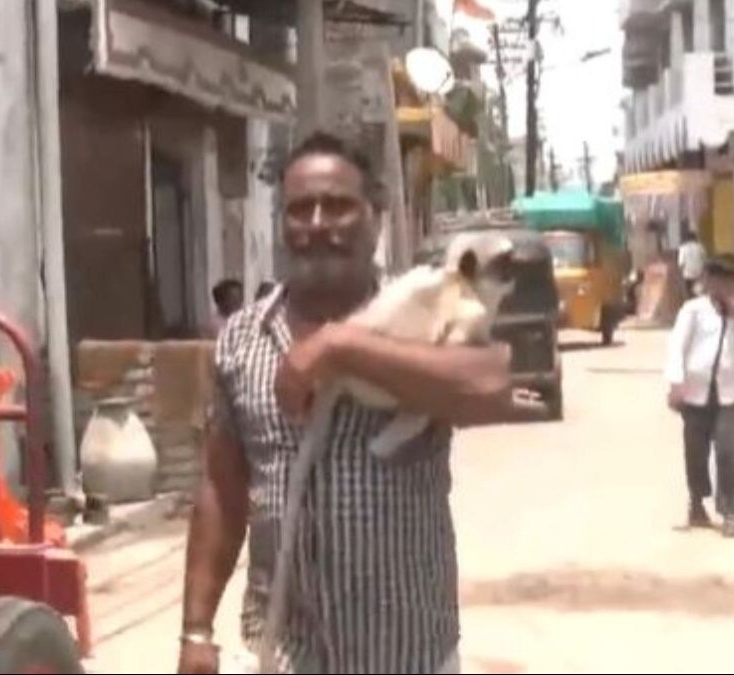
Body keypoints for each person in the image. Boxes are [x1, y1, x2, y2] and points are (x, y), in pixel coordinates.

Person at [178, 131, 516, 674]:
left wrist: (343, 346)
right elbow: (221, 488)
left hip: (407, 657)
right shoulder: (241, 339)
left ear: (375, 218)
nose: (316, 224)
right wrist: (196, 631)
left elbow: (489, 386)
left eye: (337, 206)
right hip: (282, 655)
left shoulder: (424, 312)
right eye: (300, 209)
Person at [665, 253, 734, 538]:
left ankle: (730, 512)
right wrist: (676, 383)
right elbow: (677, 347)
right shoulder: (693, 310)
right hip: (695, 394)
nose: (728, 289)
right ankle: (697, 502)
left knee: (728, 452)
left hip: (727, 396)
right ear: (709, 281)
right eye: (722, 282)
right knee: (696, 453)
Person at [677, 230, 707, 298]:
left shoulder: (683, 248)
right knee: (700, 293)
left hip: (688, 274)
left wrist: (680, 275)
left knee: (689, 293)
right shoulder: (700, 247)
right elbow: (705, 260)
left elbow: (681, 264)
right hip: (699, 273)